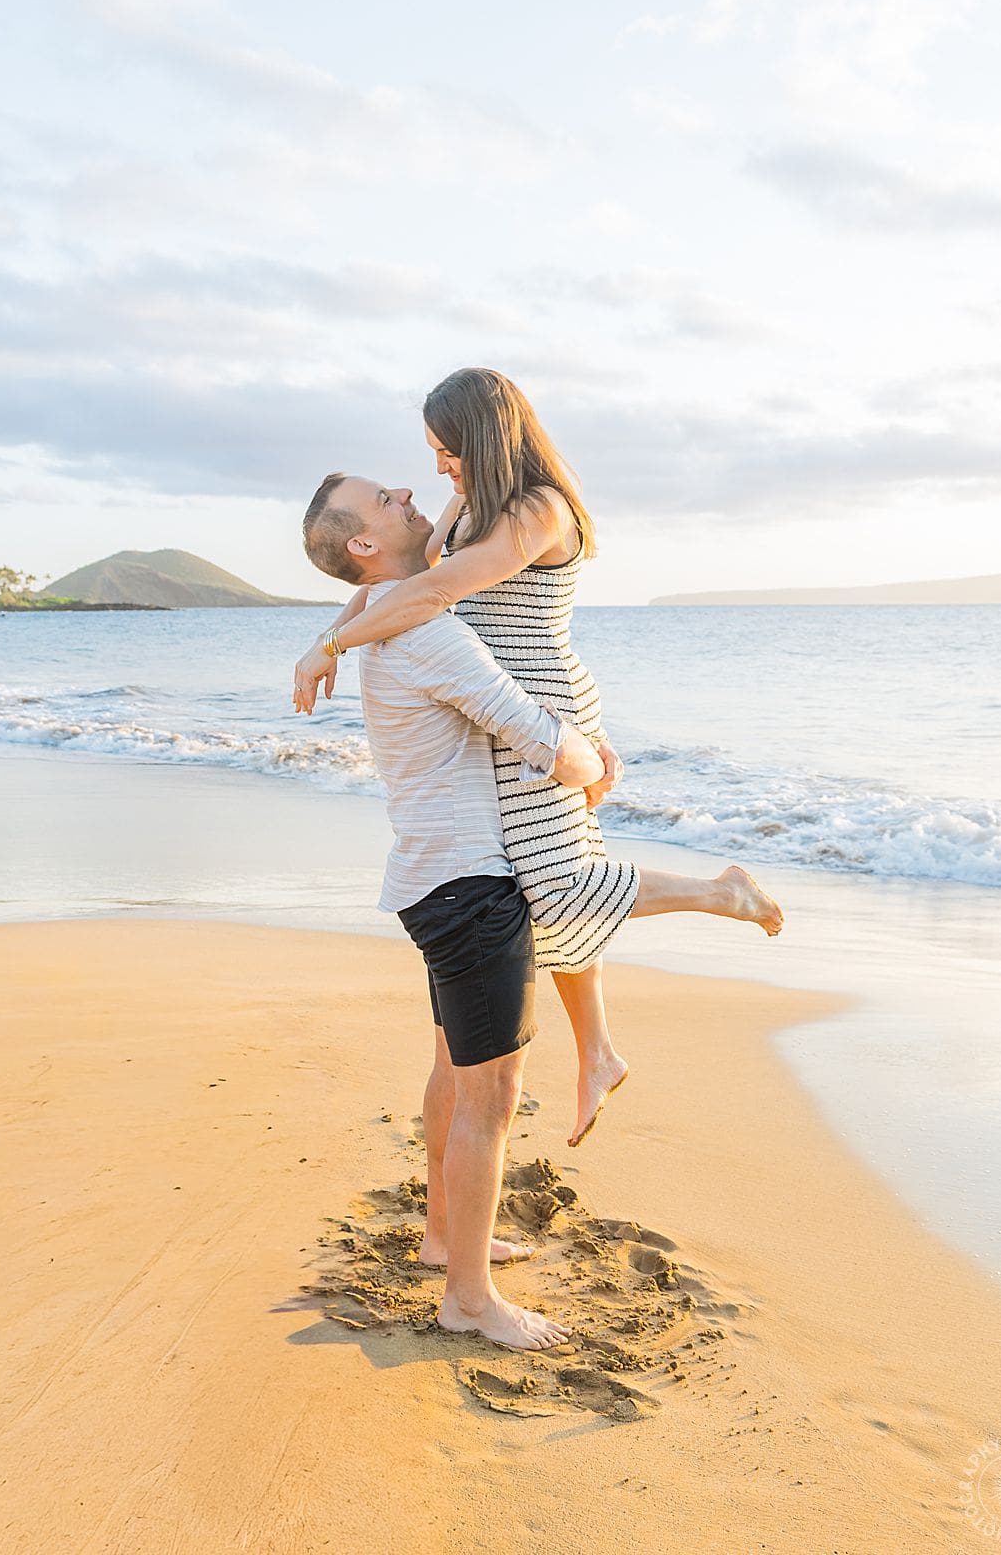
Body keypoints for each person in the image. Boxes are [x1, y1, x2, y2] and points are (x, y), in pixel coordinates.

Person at [295, 369, 783, 1147]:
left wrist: (325, 649)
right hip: (495, 705)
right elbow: (394, 582)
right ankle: (597, 1052)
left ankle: (721, 893)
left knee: (553, 884)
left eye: (446, 451)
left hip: (539, 705)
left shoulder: (537, 510)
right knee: (536, 891)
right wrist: (325, 634)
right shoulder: (467, 506)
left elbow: (427, 596)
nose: (438, 470)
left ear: (482, 439)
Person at [301, 470, 612, 1351]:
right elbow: (540, 739)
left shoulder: (383, 618)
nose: (410, 492)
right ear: (365, 546)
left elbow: (429, 569)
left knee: (452, 1071)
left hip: (432, 881)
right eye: (386, 500)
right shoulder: (425, 632)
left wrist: (322, 642)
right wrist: (597, 763)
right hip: (471, 890)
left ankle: (443, 1237)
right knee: (491, 1096)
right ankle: (469, 1299)